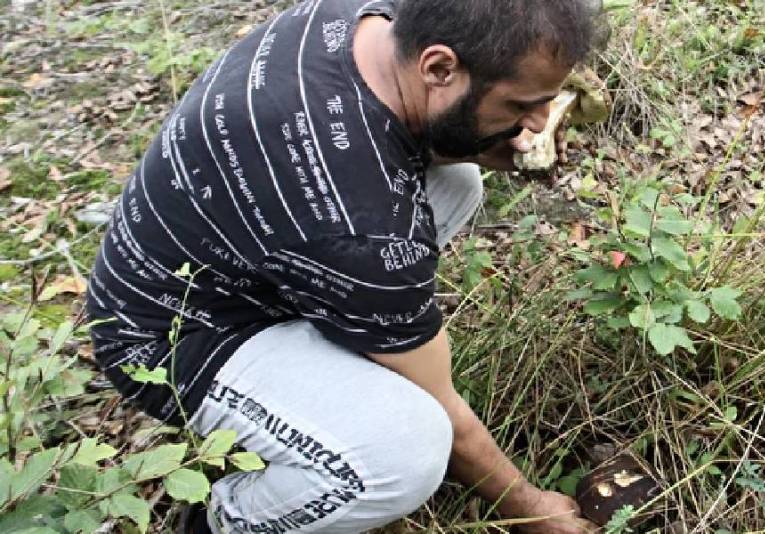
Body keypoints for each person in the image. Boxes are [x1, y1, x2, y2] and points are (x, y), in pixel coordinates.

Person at [86, 0, 604, 532]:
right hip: (168, 335)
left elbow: (397, 140)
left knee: (458, 181)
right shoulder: (363, 222)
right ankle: (225, 517)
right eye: (523, 103)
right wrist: (531, 509)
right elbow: (445, 407)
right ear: (439, 68)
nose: (540, 121)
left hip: (220, 257)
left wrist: (483, 143)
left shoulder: (368, 19)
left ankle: (344, 350)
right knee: (407, 452)